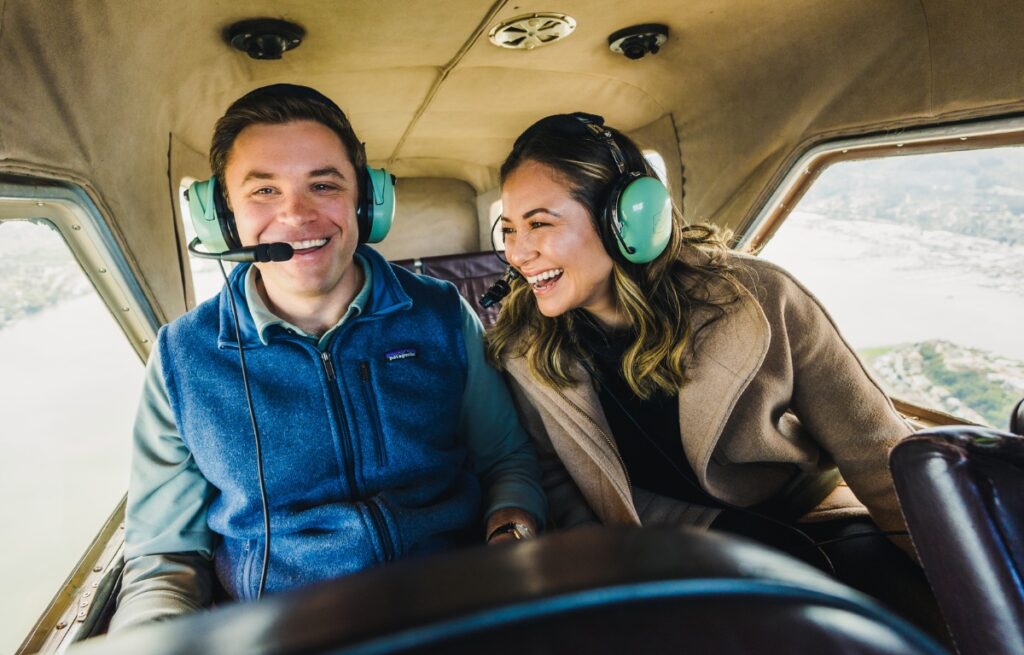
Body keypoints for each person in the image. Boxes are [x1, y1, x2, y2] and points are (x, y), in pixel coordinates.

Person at [486, 112, 945, 638]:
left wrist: (965, 580)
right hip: (667, 554)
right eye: (510, 230)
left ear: (626, 220)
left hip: (811, 522)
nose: (519, 254)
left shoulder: (759, 299)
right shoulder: (525, 349)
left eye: (540, 224)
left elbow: (875, 451)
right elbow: (558, 484)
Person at [110, 84, 546, 631]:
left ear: (365, 202)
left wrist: (511, 535)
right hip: (283, 631)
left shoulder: (440, 313)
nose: (297, 215)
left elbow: (506, 460)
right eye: (264, 190)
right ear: (222, 219)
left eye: (323, 184)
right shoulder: (183, 358)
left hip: (456, 608)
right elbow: (164, 557)